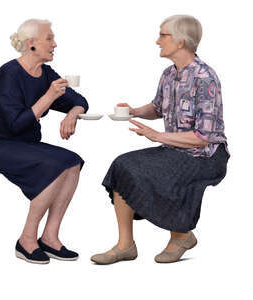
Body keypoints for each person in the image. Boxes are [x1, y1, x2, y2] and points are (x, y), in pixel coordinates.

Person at [91, 15, 229, 264]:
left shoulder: (205, 78)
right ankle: (125, 246)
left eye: (163, 35)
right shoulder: (168, 74)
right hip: (174, 148)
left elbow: (204, 137)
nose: (157, 41)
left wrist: (157, 136)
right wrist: (133, 111)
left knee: (163, 173)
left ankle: (181, 235)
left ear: (180, 41)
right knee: (123, 165)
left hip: (206, 155)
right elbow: (157, 108)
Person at [0, 19, 89, 264]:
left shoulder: (45, 73)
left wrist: (72, 113)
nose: (55, 44)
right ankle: (27, 239)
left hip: (25, 143)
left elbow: (78, 99)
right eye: (49, 38)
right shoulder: (8, 74)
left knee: (72, 163)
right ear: (31, 43)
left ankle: (50, 237)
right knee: (55, 166)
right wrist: (49, 96)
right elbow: (16, 123)